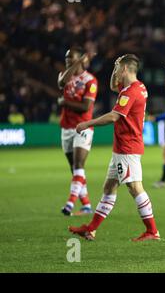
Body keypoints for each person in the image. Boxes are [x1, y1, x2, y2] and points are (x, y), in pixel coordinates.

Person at [69, 54, 160, 242]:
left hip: (127, 147)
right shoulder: (138, 87)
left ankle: (152, 231)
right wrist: (115, 67)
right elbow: (112, 85)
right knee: (109, 187)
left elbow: (113, 116)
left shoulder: (130, 92)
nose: (116, 72)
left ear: (125, 70)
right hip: (122, 147)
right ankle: (91, 229)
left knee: (135, 188)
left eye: (118, 68)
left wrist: (87, 123)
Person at [57, 47, 97, 216]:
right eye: (66, 58)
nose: (67, 61)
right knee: (75, 170)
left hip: (83, 126)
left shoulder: (90, 80)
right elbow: (62, 83)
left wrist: (65, 103)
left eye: (70, 58)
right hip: (66, 127)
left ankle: (69, 204)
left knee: (79, 165)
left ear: (80, 59)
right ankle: (86, 205)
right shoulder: (63, 75)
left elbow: (85, 107)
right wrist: (76, 63)